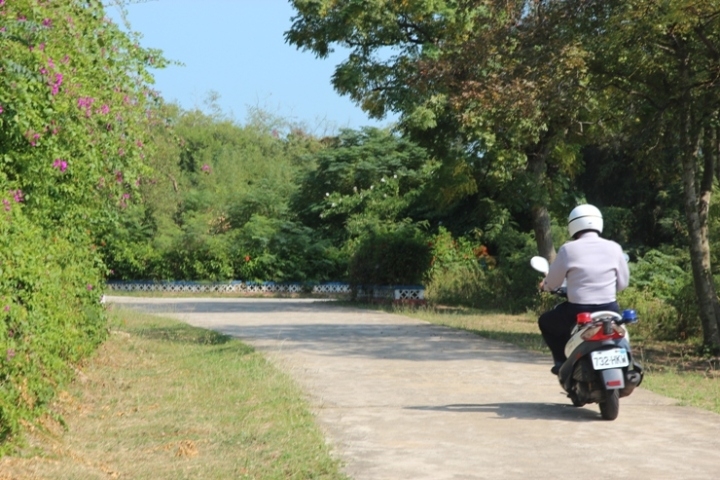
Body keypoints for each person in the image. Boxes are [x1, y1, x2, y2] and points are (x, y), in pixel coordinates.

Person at [538, 204, 630, 375]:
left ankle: (561, 361)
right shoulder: (614, 248)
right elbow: (623, 284)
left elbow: (554, 281)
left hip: (577, 311)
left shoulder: (568, 249)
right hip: (610, 309)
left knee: (545, 321)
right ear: (599, 223)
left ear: (573, 225)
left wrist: (546, 286)